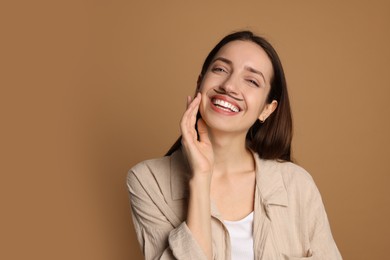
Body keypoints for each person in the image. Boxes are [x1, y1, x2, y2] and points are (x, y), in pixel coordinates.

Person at [127, 31, 342, 260]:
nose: (229, 86)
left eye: (251, 80)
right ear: (200, 83)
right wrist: (201, 176)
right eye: (220, 69)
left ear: (267, 109)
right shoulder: (148, 181)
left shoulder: (297, 185)